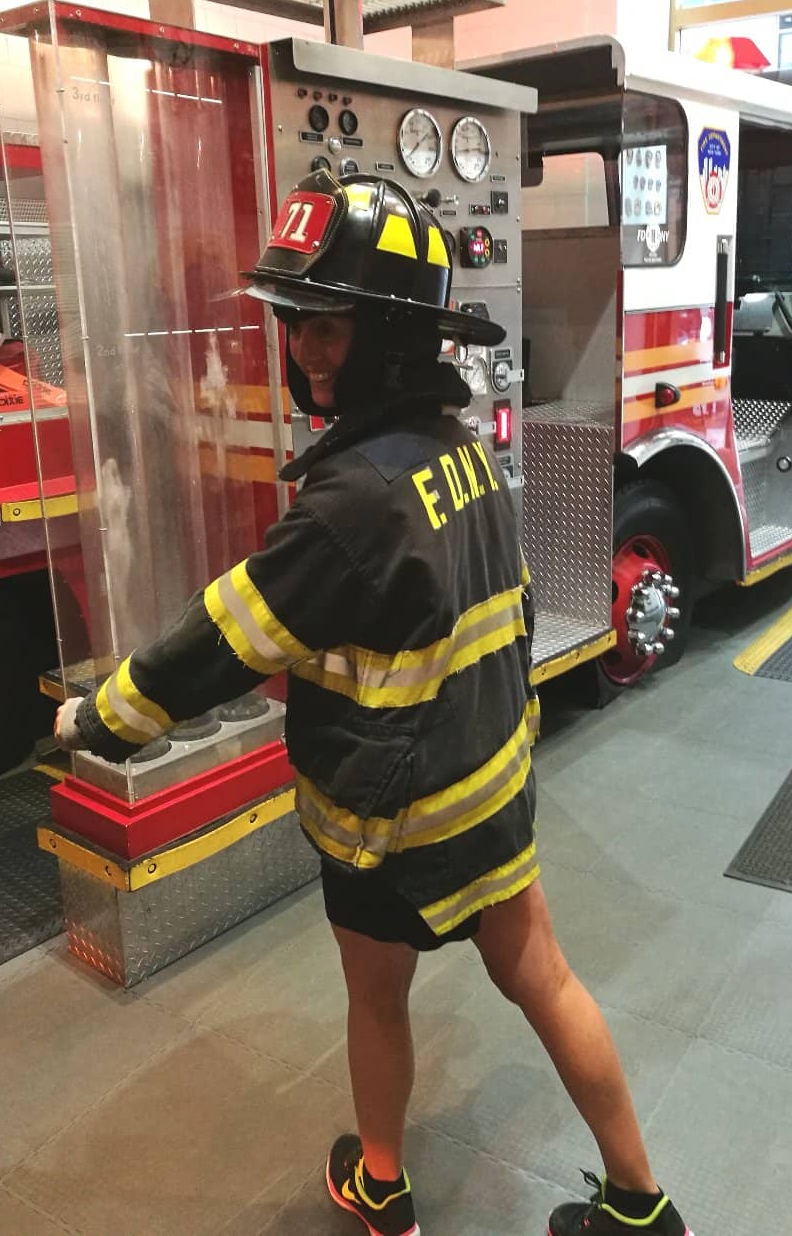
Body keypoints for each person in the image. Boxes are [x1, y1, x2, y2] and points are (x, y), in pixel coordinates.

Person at [54, 171, 694, 1236]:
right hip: (491, 792)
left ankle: (383, 1185)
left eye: (329, 327)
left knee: (375, 997)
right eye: (300, 322)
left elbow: (219, 642)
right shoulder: (465, 452)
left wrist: (102, 720)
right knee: (547, 983)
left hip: (388, 824)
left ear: (392, 341)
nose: (305, 349)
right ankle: (639, 1202)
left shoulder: (350, 502)